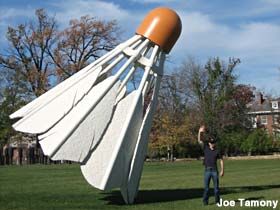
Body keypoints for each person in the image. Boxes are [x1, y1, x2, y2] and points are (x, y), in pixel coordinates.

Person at [198, 125, 224, 205]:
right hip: (207, 171)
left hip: (214, 171)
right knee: (206, 189)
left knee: (216, 189)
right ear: (209, 143)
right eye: (211, 143)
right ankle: (205, 202)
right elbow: (200, 140)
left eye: (214, 143)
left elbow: (221, 160)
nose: (213, 144)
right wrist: (200, 132)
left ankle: (218, 201)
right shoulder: (205, 148)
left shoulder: (217, 151)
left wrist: (222, 170)